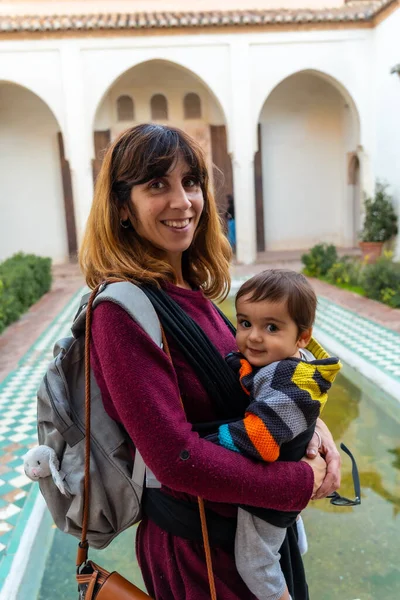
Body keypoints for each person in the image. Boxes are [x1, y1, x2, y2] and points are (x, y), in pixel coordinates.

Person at [79, 124, 341, 600]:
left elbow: (256, 390)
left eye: (191, 182)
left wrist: (318, 434)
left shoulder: (190, 296)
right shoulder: (120, 314)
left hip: (237, 540)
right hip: (199, 558)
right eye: (157, 184)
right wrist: (298, 482)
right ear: (122, 207)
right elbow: (176, 459)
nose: (183, 202)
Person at [207, 269, 341, 600]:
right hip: (288, 480)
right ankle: (296, 535)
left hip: (271, 491)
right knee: (281, 531)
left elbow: (259, 439)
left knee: (255, 562)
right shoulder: (291, 363)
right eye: (244, 323)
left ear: (302, 337)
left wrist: (204, 443)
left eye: (271, 327)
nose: (253, 337)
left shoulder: (288, 382)